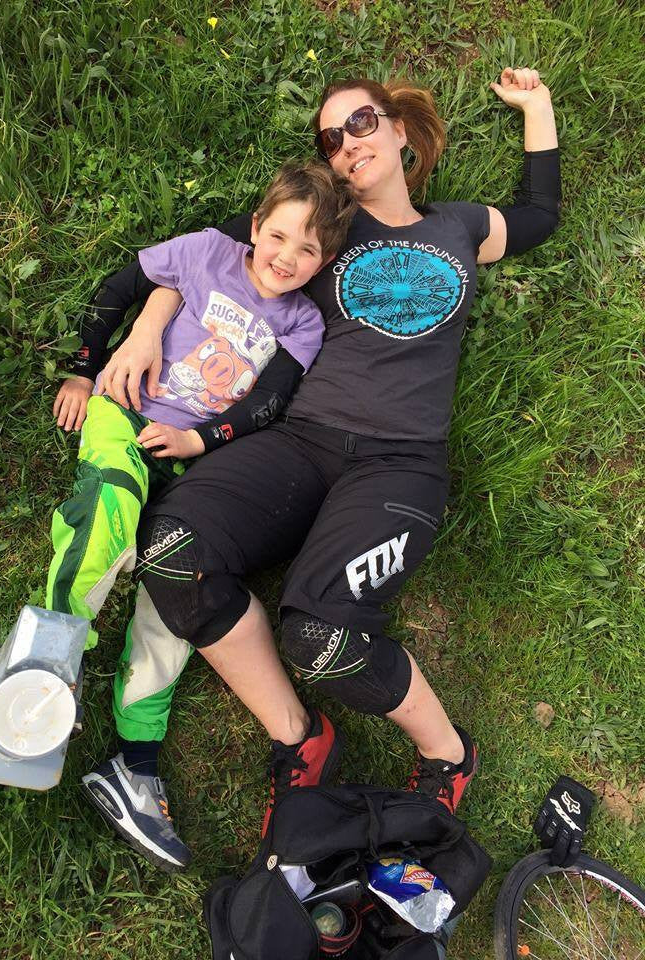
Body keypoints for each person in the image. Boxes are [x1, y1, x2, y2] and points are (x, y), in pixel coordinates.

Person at [85, 66, 561, 871]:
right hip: (301, 440)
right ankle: (300, 737)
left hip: (399, 465)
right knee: (170, 548)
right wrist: (143, 330)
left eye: (362, 123)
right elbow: (205, 259)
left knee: (324, 637)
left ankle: (449, 753)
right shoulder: (325, 225)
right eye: (331, 138)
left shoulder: (458, 225)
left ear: (400, 131)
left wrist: (537, 107)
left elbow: (541, 214)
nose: (348, 144)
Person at [45, 162, 356, 869]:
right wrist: (82, 368)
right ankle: (51, 655)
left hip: (191, 460)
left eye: (308, 250)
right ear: (255, 226)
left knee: (174, 597)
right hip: (125, 414)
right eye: (278, 236)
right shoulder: (206, 251)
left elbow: (268, 402)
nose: (287, 258)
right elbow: (120, 287)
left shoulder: (303, 321)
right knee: (107, 506)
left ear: (325, 260)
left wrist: (201, 441)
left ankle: (135, 762)